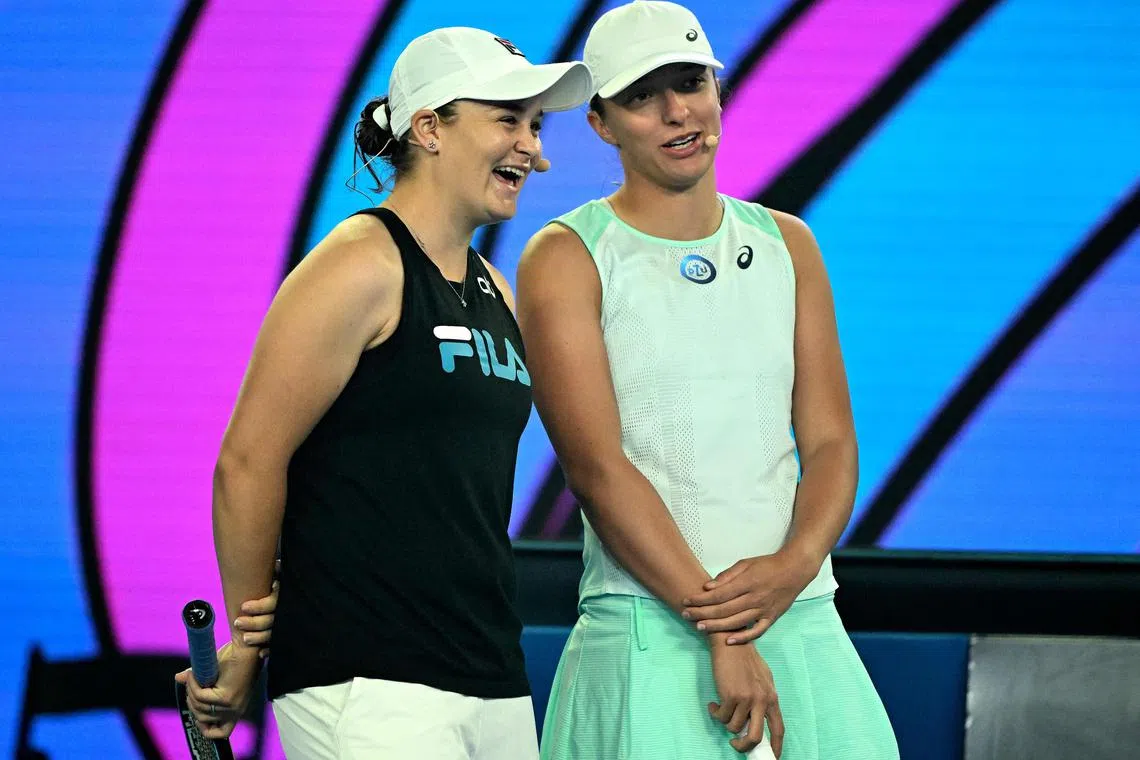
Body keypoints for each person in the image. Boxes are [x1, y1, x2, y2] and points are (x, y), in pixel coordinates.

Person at [174, 26, 592, 759]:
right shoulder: (358, 264)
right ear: (429, 127)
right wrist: (246, 645)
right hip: (366, 684)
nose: (535, 149)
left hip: (492, 676)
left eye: (535, 125)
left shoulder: (495, 290)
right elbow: (246, 461)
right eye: (507, 120)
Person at [515, 2, 900, 758]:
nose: (676, 112)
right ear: (600, 122)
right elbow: (596, 469)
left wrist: (791, 571)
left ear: (718, 89)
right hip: (648, 632)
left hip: (801, 615)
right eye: (641, 96)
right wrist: (723, 627)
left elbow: (828, 442)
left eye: (690, 82)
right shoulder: (564, 255)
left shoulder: (789, 242)